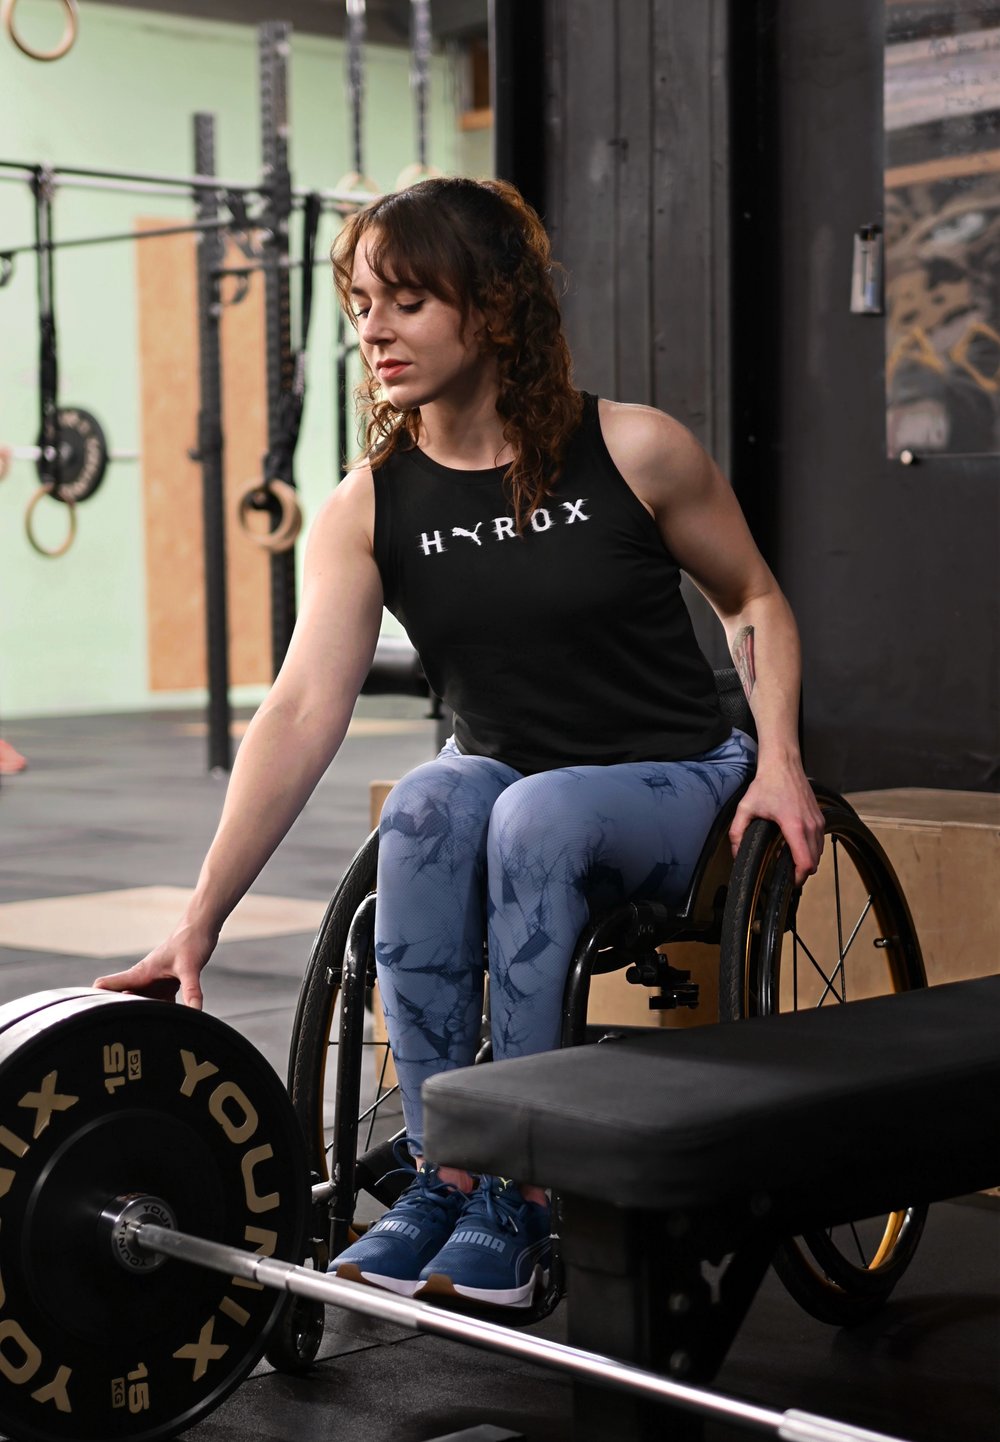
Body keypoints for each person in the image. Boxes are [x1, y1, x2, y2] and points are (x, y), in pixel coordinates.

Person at [96, 177, 824, 1311]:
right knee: (430, 800)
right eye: (360, 302)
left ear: (490, 310)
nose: (372, 329)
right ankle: (452, 1167)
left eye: (406, 301)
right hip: (510, 786)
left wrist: (778, 759)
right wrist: (201, 916)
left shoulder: (634, 448)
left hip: (673, 776)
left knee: (536, 811)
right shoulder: (368, 505)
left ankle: (524, 1192)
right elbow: (297, 709)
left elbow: (754, 603)